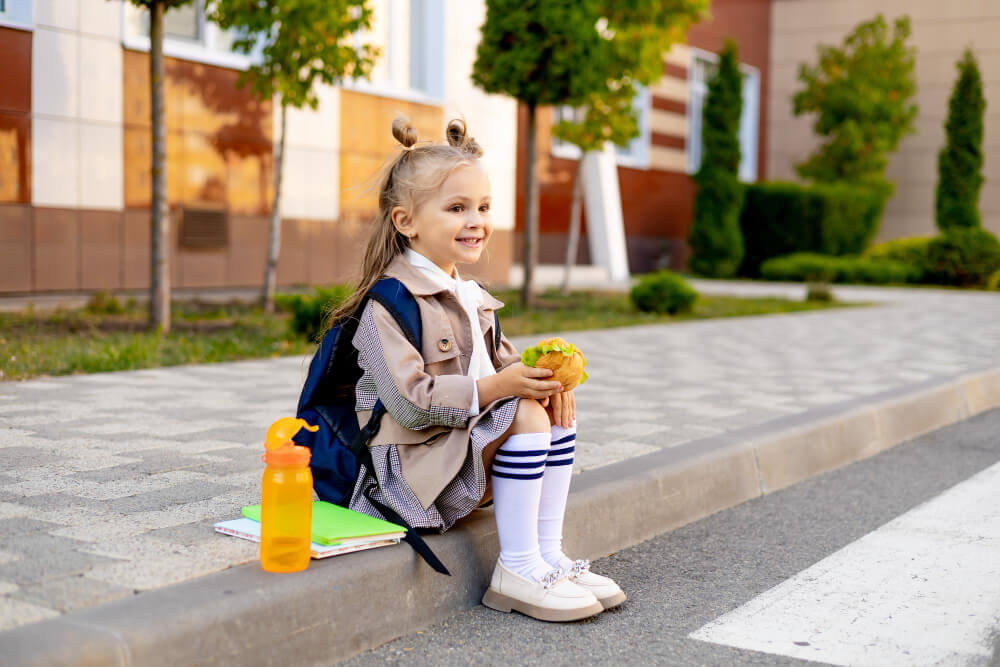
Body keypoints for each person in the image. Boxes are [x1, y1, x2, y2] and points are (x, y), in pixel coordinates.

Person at [324, 116, 625, 622]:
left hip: (452, 448)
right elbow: (409, 404)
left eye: (483, 208)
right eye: (457, 208)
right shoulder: (388, 306)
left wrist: (543, 381)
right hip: (408, 471)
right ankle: (518, 567)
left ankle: (548, 557)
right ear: (406, 222)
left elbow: (505, 366)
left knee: (551, 411)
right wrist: (502, 388)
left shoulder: (472, 296)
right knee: (525, 416)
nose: (476, 221)